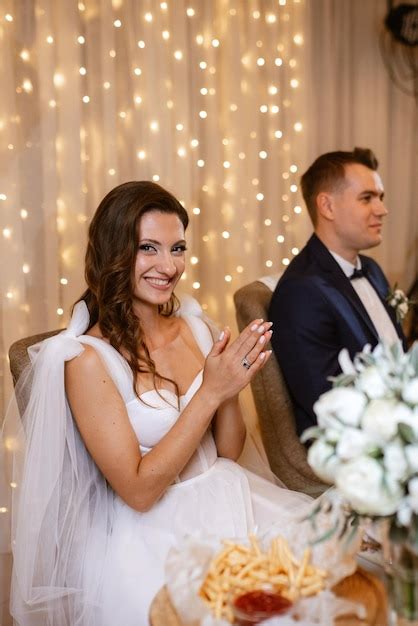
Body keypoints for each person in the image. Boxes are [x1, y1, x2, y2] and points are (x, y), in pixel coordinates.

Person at [5, 181, 311, 626]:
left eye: (178, 248)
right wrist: (209, 392)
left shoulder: (195, 325)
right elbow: (138, 491)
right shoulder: (87, 360)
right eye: (148, 248)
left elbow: (228, 451)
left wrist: (229, 386)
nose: (168, 266)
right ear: (114, 252)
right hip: (152, 533)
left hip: (226, 492)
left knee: (323, 588)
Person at [269, 148, 406, 437]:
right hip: (357, 440)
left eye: (380, 197)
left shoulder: (370, 268)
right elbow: (328, 400)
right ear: (327, 207)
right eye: (367, 198)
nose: (382, 209)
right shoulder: (300, 292)